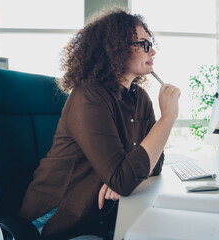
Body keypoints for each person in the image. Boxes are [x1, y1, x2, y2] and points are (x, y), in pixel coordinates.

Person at [18, 8, 180, 239]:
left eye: (150, 43)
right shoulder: (89, 96)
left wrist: (123, 177)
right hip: (58, 217)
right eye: (143, 44)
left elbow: (155, 163)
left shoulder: (140, 98)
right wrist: (167, 118)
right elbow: (128, 177)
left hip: (102, 213)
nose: (152, 50)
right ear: (116, 49)